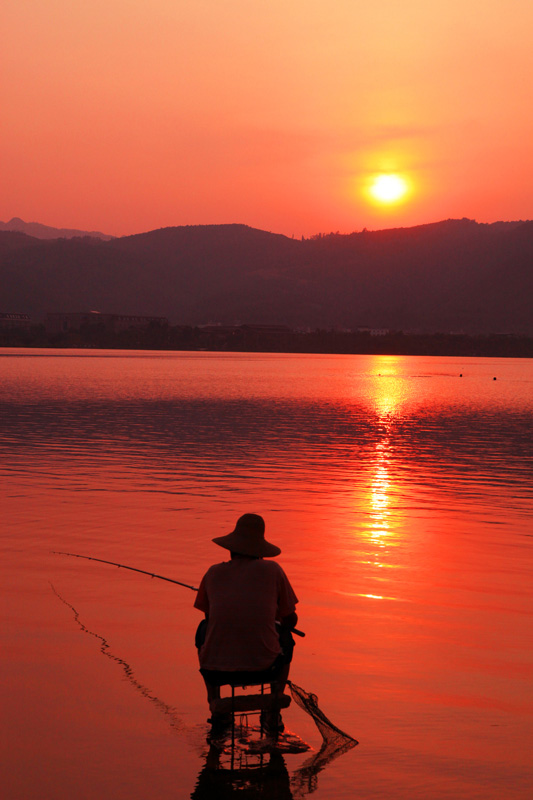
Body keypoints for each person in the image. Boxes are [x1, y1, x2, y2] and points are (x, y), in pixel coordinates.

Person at [194, 513, 298, 736]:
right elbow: (291, 620)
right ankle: (272, 714)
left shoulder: (213, 573)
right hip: (266, 666)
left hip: (215, 670)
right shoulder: (273, 570)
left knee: (202, 631)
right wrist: (278, 621)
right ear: (260, 550)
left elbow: (209, 619)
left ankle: (215, 705)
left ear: (231, 548)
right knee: (287, 638)